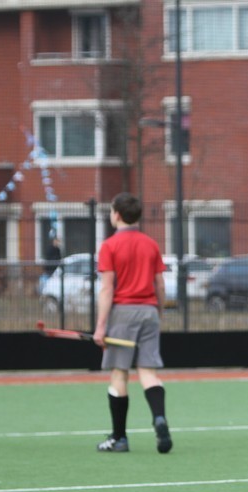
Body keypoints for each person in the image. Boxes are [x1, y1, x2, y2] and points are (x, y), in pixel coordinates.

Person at [93, 192, 173, 454]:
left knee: (119, 373)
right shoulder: (151, 244)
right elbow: (160, 284)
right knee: (148, 372)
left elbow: (107, 289)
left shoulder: (109, 246)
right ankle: (159, 418)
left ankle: (119, 438)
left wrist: (101, 326)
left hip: (123, 315)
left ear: (116, 214)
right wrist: (158, 312)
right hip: (149, 312)